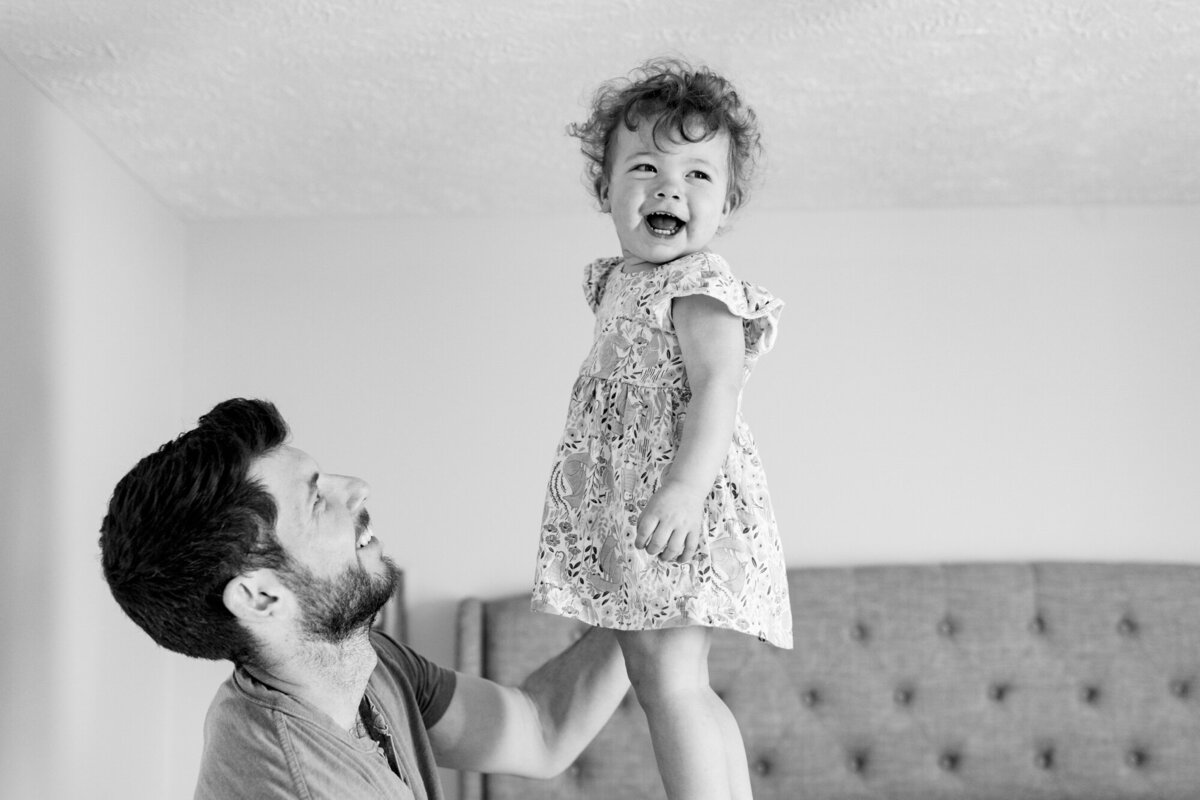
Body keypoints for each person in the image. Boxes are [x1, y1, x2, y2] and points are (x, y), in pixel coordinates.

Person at [100, 398, 629, 800]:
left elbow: (539, 730)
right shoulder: (298, 782)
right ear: (261, 597)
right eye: (316, 499)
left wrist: (654, 597)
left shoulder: (363, 665)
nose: (358, 488)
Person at [530, 57, 793, 800]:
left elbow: (719, 387)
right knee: (670, 680)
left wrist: (683, 488)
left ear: (727, 204)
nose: (669, 186)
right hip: (635, 509)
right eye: (644, 166)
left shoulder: (698, 282)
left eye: (699, 175)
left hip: (674, 505)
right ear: (606, 189)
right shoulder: (620, 282)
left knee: (670, 683)